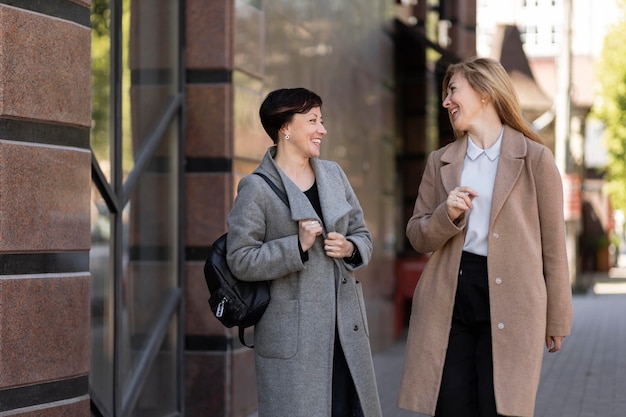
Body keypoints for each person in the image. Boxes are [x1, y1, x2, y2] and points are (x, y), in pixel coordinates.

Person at [397, 57, 573, 417]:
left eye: (453, 90)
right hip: (451, 294)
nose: (446, 102)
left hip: (514, 298)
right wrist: (447, 214)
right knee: (451, 405)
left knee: (499, 406)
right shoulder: (441, 161)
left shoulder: (535, 159)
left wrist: (558, 318)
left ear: (485, 93)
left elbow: (554, 248)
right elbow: (417, 235)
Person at [226, 87, 382, 417]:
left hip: (345, 331)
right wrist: (295, 247)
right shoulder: (256, 188)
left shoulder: (333, 174)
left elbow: (363, 234)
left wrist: (351, 247)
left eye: (321, 120)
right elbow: (240, 258)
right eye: (312, 120)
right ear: (285, 127)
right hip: (295, 341)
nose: (322, 129)